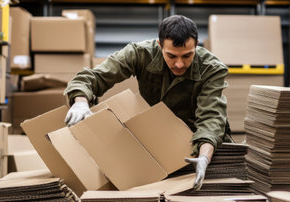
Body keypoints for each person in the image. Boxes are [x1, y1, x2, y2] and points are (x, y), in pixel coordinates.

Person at [63, 15, 232, 190]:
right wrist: (81, 102)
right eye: (171, 56)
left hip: (197, 143)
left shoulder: (212, 68)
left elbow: (211, 118)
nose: (180, 64)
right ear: (160, 46)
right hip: (158, 141)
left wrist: (204, 157)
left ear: (196, 46)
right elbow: (95, 77)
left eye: (187, 55)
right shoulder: (140, 53)